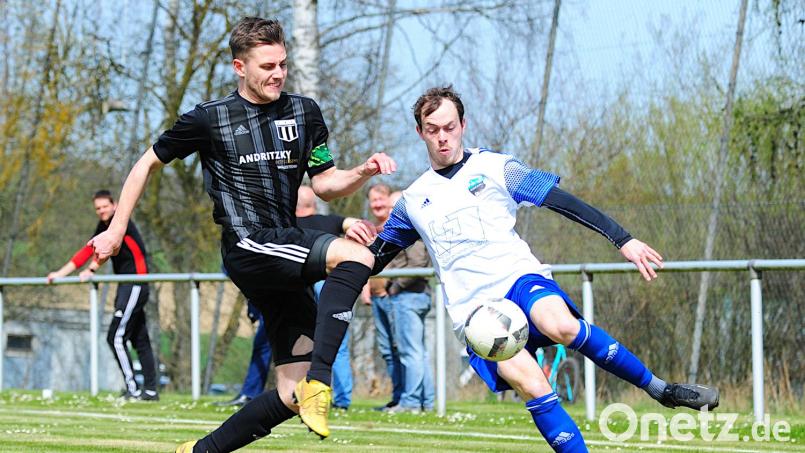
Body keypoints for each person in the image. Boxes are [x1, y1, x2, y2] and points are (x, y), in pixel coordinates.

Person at [346, 86, 719, 452]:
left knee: (561, 325)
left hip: (518, 279)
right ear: (420, 132)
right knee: (533, 384)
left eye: (450, 127)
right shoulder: (412, 201)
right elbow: (374, 258)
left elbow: (563, 202)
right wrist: (331, 259)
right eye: (432, 130)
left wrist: (623, 239)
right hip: (474, 314)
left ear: (463, 124)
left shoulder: (497, 168)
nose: (442, 137)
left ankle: (660, 389)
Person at [87, 17, 396, 452]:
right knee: (357, 257)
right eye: (267, 66)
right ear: (240, 67)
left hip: (285, 245)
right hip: (248, 245)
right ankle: (321, 382)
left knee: (289, 393)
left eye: (283, 64)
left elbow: (325, 183)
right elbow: (146, 164)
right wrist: (116, 229)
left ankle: (200, 451)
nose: (278, 74)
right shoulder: (210, 118)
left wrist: (363, 171)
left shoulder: (304, 113)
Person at [217, 186, 360, 410]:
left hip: (293, 286)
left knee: (269, 342)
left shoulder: (284, 227)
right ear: (313, 203)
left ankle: (256, 393)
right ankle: (340, 400)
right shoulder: (329, 221)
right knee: (335, 342)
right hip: (319, 285)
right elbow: (353, 223)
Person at [47, 190, 158, 401]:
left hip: (135, 283)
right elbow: (88, 250)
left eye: (104, 206)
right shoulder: (103, 226)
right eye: (97, 208)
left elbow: (107, 250)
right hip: (125, 285)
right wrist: (59, 274)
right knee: (139, 339)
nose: (101, 211)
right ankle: (151, 391)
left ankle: (134, 389)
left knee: (115, 337)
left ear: (114, 205)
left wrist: (91, 270)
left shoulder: (120, 223)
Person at [361, 183, 403, 411]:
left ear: (389, 201)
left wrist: (390, 287)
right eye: (373, 200)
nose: (377, 204)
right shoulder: (371, 229)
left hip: (393, 297)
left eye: (381, 199)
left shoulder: (398, 226)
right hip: (377, 299)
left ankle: (407, 397)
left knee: (400, 348)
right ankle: (397, 397)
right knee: (387, 351)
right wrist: (366, 290)